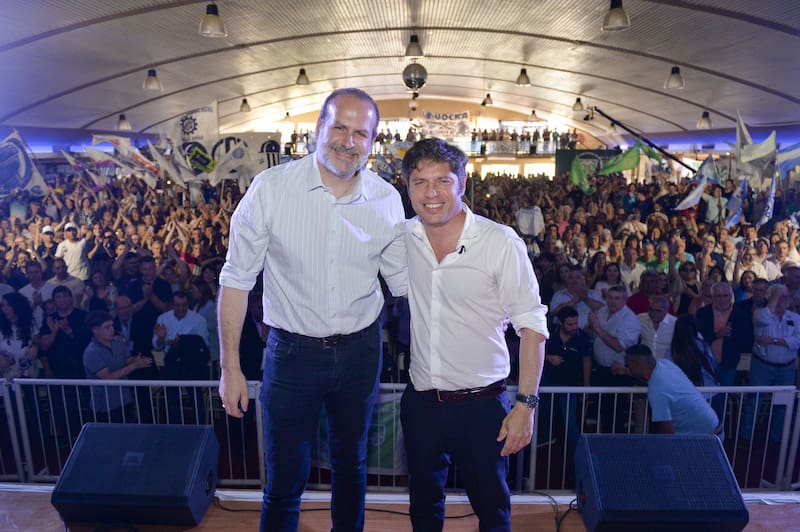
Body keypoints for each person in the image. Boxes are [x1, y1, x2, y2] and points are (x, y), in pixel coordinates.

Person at [217, 88, 406, 531]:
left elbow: (407, 285)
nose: (348, 141)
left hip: (361, 352)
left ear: (372, 142)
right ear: (318, 128)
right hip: (291, 354)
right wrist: (231, 366)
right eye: (339, 126)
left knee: (352, 466)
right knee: (284, 478)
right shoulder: (271, 189)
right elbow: (235, 279)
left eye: (361, 132)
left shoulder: (386, 199)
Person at [399, 138, 548, 531]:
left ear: (463, 183)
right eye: (420, 182)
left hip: (481, 407)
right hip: (420, 404)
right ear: (407, 188)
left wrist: (525, 406)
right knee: (423, 509)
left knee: (492, 511)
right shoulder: (404, 237)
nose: (432, 193)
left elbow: (532, 326)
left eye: (443, 181)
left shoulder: (499, 242)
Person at [742, 284, 800, 443]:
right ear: (771, 298)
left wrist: (774, 341)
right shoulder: (760, 314)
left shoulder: (795, 318)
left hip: (787, 368)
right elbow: (763, 319)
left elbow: (796, 342)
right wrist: (774, 296)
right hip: (763, 366)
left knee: (782, 405)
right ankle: (746, 437)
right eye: (778, 296)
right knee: (754, 401)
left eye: (785, 296)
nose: (783, 299)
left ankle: (777, 439)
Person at [625, 344, 721, 438]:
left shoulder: (657, 390)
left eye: (628, 365)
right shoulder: (665, 364)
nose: (628, 367)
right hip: (713, 429)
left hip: (705, 438)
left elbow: (667, 434)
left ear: (635, 364)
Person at [82, 310, 153, 422]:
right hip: (105, 405)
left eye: (112, 326)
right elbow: (108, 377)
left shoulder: (117, 342)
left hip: (125, 399)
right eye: (107, 327)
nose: (112, 329)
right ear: (95, 330)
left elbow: (127, 359)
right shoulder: (91, 352)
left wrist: (136, 360)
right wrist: (133, 366)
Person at [541, 306, 592, 450]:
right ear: (561, 323)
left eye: (576, 323)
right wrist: (548, 358)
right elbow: (535, 350)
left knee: (569, 421)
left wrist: (587, 386)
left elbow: (586, 361)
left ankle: (577, 451)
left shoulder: (583, 338)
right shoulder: (549, 333)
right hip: (547, 381)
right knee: (543, 413)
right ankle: (546, 440)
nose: (575, 327)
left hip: (570, 385)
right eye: (570, 324)